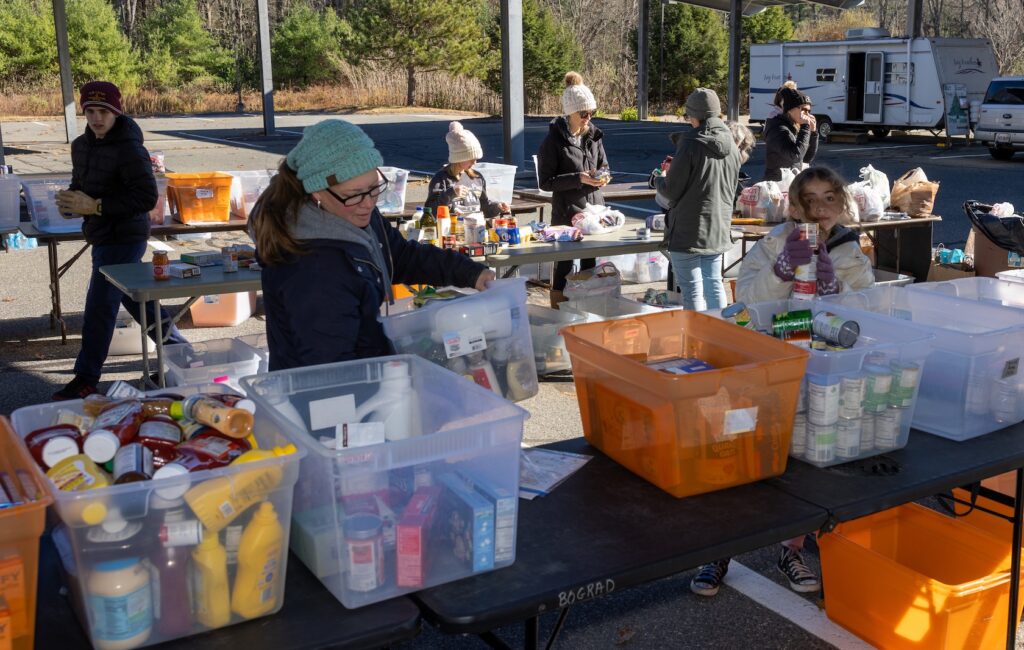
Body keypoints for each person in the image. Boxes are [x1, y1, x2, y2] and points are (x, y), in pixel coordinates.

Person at [689, 166, 874, 598]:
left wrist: (837, 286)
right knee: (743, 456)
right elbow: (746, 301)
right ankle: (720, 549)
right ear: (792, 205)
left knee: (804, 462)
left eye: (831, 198)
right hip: (767, 366)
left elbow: (869, 304)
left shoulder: (850, 249)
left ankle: (791, 548)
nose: (822, 208)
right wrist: (782, 268)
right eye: (810, 199)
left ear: (843, 203)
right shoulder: (774, 243)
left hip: (821, 370)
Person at [250, 119, 495, 371]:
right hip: (327, 399)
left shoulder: (353, 213)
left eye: (373, 188)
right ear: (317, 193)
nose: (367, 203)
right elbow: (329, 369)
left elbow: (400, 256)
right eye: (354, 194)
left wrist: (470, 272)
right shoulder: (313, 264)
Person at [52, 81, 189, 401]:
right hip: (101, 234)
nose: (97, 118)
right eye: (90, 112)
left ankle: (86, 377)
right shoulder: (81, 146)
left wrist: (96, 206)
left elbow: (145, 197)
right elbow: (81, 184)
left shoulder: (129, 147)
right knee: (137, 299)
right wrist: (72, 202)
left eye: (104, 112)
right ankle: (181, 352)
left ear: (116, 112)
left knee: (100, 305)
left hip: (126, 234)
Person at [654, 88, 740, 311]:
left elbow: (672, 190)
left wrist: (657, 179)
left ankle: (697, 342)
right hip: (718, 227)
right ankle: (719, 335)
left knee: (692, 291)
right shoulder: (732, 143)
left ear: (694, 115)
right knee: (714, 285)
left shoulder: (691, 142)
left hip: (688, 230)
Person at [537, 71, 610, 307]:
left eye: (592, 112)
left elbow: (604, 165)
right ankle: (558, 307)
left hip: (593, 212)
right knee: (564, 263)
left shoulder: (594, 136)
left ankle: (587, 305)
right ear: (571, 113)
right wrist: (578, 178)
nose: (588, 117)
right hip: (566, 212)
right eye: (584, 113)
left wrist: (604, 177)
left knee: (590, 261)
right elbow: (545, 182)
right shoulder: (553, 141)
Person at [425, 121, 509, 218]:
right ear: (459, 158)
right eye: (471, 159)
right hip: (452, 230)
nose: (474, 163)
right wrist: (451, 193)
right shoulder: (441, 179)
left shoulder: (477, 178)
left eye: (476, 159)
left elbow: (485, 208)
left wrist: (497, 207)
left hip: (477, 229)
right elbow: (430, 211)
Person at [763, 86, 818, 182]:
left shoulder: (793, 126)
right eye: (804, 110)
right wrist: (805, 126)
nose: (807, 114)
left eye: (809, 111)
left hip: (791, 181)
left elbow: (806, 158)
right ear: (790, 108)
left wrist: (813, 133)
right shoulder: (777, 128)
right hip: (777, 184)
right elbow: (795, 156)